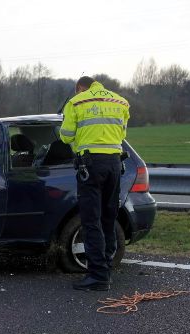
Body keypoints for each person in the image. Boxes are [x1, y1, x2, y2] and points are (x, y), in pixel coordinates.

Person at [59, 76, 130, 291]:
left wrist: (72, 132)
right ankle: (106, 266)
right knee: (109, 216)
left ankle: (98, 276)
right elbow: (122, 133)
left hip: (91, 165)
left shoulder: (77, 102)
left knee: (91, 219)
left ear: (80, 88)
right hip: (115, 164)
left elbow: (66, 136)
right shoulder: (120, 102)